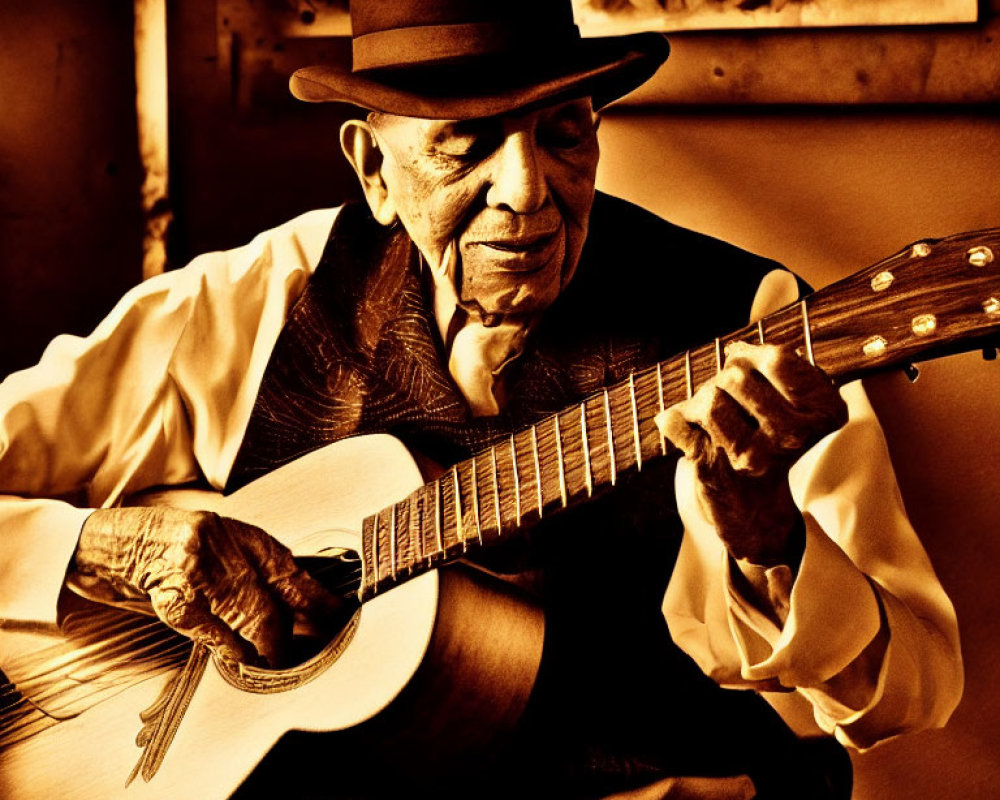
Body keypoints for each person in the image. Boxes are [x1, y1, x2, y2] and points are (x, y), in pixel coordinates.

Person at [0, 1, 962, 798]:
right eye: (466, 146)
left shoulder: (742, 324)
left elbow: (910, 692)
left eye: (563, 133)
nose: (529, 193)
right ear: (374, 170)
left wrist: (771, 544)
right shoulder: (269, 290)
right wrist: (96, 550)